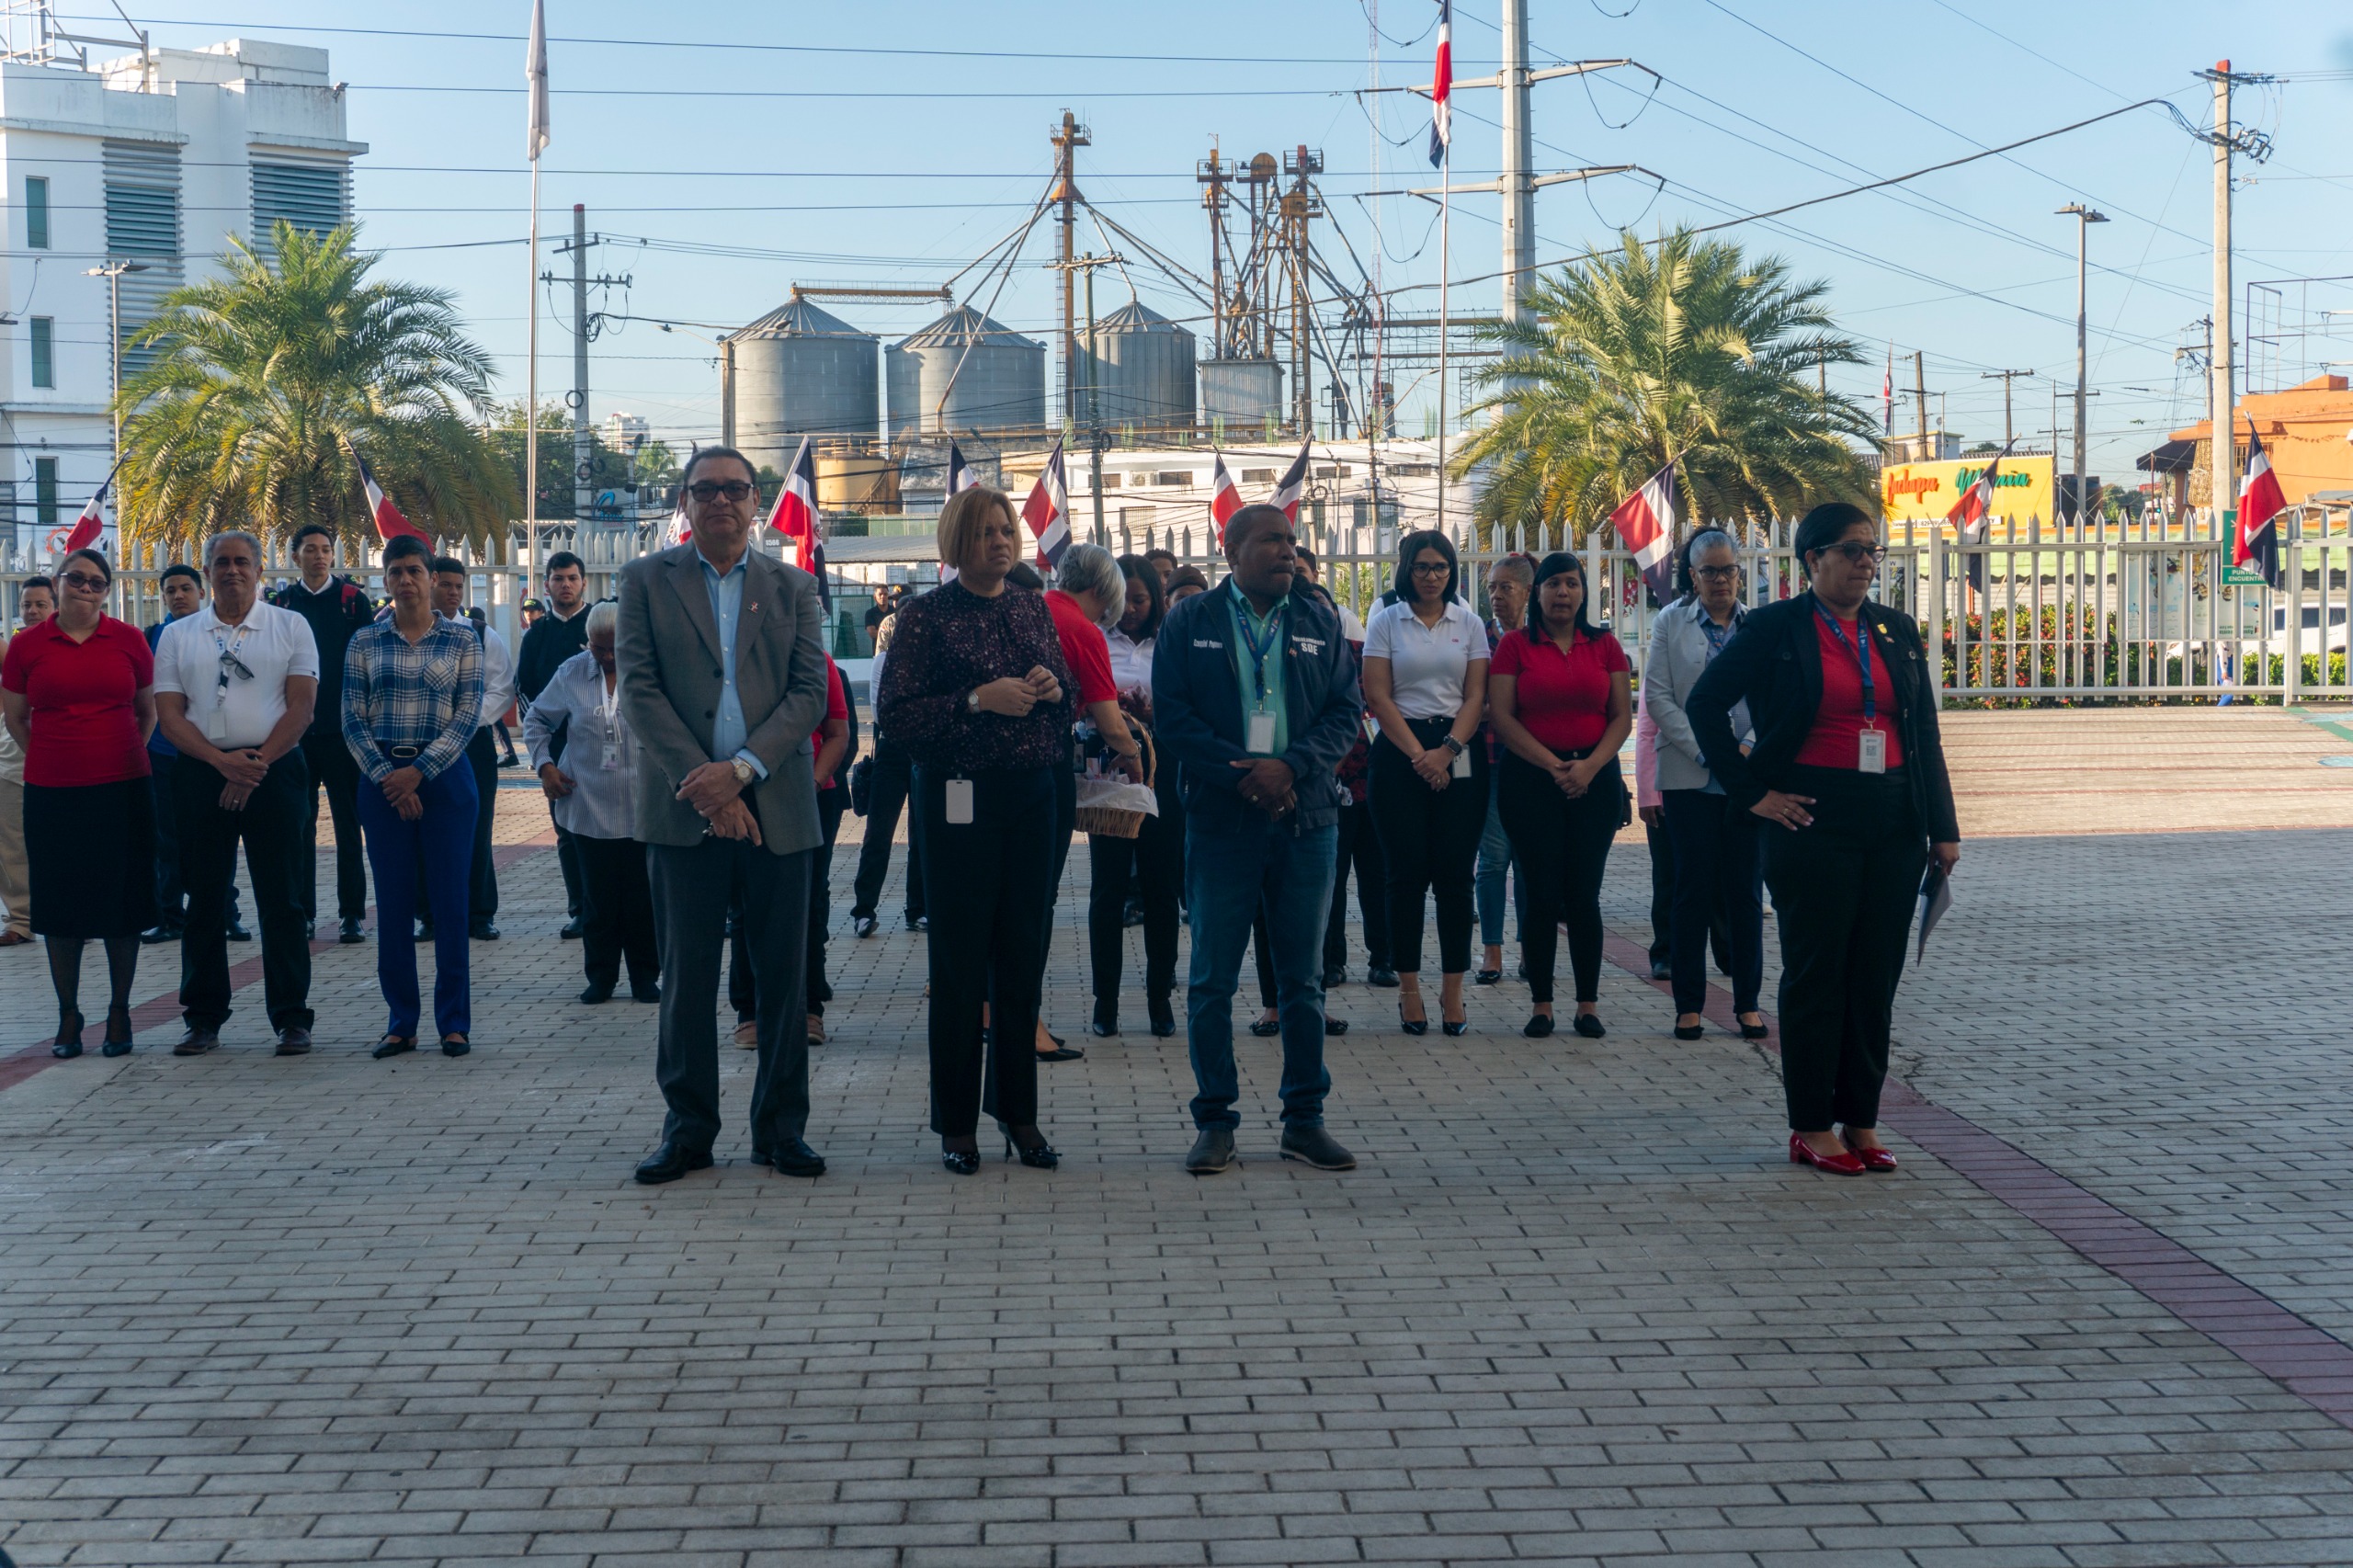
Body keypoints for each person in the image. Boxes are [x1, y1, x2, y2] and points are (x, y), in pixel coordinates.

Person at [1688, 501, 1960, 1176]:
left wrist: (1943, 828)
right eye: (1853, 551)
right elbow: (1704, 706)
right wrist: (1754, 793)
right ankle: (1811, 1123)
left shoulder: (1895, 631)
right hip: (1811, 819)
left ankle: (1860, 1119)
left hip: (1895, 819)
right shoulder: (1777, 627)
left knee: (1875, 975)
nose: (1867, 563)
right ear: (1813, 560)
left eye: (1874, 552)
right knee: (1818, 974)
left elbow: (1922, 730)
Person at [618, 445, 832, 1186]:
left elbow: (809, 694)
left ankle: (781, 1129)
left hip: (779, 807)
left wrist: (739, 773)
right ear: (684, 501)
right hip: (682, 814)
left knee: (783, 979)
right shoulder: (645, 579)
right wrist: (703, 784)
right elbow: (640, 691)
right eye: (705, 489)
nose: (720, 501)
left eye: (735, 489)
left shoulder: (795, 585)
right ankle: (688, 1131)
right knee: (686, 979)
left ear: (755, 502)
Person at [1153, 503, 1361, 1176]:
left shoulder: (1318, 618)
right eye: (1272, 540)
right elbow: (1175, 719)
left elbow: (1345, 713)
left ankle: (1305, 1119)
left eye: (1291, 541)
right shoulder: (1191, 621)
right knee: (1212, 979)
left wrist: (1290, 767)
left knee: (1302, 981)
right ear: (1232, 548)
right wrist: (1243, 775)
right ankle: (1215, 1120)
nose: (1286, 551)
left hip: (1306, 822)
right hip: (1222, 821)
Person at [876, 484, 1073, 1175]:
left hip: (1031, 798)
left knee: (1022, 962)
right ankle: (957, 1123)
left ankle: (1019, 1114)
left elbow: (1066, 702)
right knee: (960, 966)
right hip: (958, 802)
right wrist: (973, 700)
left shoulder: (1031, 608)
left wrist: (1052, 688)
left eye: (1005, 531)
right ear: (958, 541)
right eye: (985, 532)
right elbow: (896, 718)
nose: (999, 543)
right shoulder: (925, 618)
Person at [152, 531, 320, 1056]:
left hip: (274, 771)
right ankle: (202, 1018)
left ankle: (292, 1018)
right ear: (207, 572)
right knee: (203, 899)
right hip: (204, 772)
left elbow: (301, 708)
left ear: (259, 570)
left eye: (242, 562)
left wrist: (256, 763)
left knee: (283, 899)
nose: (232, 570)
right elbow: (170, 715)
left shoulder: (291, 625)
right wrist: (221, 762)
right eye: (221, 562)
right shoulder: (179, 635)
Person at [0, 549, 156, 1058]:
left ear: (107, 592)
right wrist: (52, 756)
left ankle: (119, 1012)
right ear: (58, 583)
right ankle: (68, 1014)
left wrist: (120, 753)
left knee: (122, 903)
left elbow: (147, 711)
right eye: (76, 580)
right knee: (59, 905)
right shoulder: (28, 647)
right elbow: (18, 718)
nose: (85, 589)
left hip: (123, 787)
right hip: (52, 792)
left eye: (95, 583)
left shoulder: (130, 640)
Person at [345, 534, 483, 1059]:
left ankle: (454, 1022)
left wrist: (419, 772)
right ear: (386, 579)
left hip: (445, 780)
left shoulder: (462, 641)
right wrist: (389, 777)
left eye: (414, 571)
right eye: (395, 571)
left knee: (450, 903)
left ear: (431, 577)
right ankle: (401, 1022)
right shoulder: (364, 642)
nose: (405, 580)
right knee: (394, 904)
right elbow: (351, 719)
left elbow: (468, 715)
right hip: (381, 777)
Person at [1490, 551, 1632, 1039]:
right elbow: (1503, 718)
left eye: (1572, 584)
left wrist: (1589, 767)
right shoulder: (1514, 646)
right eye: (1553, 585)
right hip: (1532, 781)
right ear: (1538, 593)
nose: (1563, 594)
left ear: (1584, 591)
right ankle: (1542, 1003)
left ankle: (1588, 1004)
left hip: (1594, 780)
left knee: (1584, 894)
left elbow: (1621, 717)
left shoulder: (1606, 645)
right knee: (1542, 892)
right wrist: (1554, 766)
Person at [1360, 530, 1491, 1037]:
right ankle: (1410, 989)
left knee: (1456, 878)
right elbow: (1377, 694)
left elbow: (1476, 696)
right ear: (1406, 570)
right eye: (1422, 567)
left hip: (1457, 750)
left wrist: (1448, 752)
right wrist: (1420, 757)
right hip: (1400, 754)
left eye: (1440, 568)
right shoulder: (1387, 621)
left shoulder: (1470, 622)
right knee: (1405, 876)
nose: (1432, 576)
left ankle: (1453, 992)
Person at [1643, 529, 1768, 1042]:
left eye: (1728, 570)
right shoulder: (1670, 623)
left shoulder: (1758, 626)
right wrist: (1706, 750)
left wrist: (1749, 750)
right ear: (1691, 577)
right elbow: (1657, 698)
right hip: (1688, 775)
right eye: (1709, 571)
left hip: (1747, 778)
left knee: (1744, 892)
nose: (1720, 580)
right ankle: (1688, 1006)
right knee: (1691, 890)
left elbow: (1774, 697)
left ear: (1740, 572)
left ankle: (1748, 1005)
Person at [525, 600, 658, 1005]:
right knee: (597, 900)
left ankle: (645, 979)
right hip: (586, 803)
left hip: (642, 805)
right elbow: (536, 721)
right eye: (598, 648)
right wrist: (545, 767)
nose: (606, 657)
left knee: (642, 900)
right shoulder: (572, 672)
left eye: (615, 648)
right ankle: (600, 978)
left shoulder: (651, 673)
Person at [1043, 543, 1143, 1053]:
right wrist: (1135, 760)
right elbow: (1109, 721)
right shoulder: (1083, 631)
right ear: (1103, 592)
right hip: (1044, 766)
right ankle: (1027, 1021)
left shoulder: (1030, 609)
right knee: (1036, 898)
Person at [1087, 553, 1178, 1038]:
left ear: (1157, 599)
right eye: (1122, 600)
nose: (1130, 610)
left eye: (1140, 600)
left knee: (1163, 891)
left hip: (1164, 773)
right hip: (1110, 774)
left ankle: (1160, 999)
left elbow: (1191, 701)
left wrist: (1154, 712)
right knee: (1108, 889)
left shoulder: (1173, 640)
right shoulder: (1097, 639)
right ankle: (1106, 1003)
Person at [270, 523, 374, 943]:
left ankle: (352, 915)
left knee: (350, 827)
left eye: (325, 549)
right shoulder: (281, 604)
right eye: (309, 549)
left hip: (344, 732)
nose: (318, 556)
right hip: (296, 735)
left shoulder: (353, 602)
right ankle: (305, 913)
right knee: (300, 827)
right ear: (295, 557)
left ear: (334, 556)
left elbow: (368, 663)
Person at [142, 564, 248, 949]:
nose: (178, 596)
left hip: (213, 753)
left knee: (221, 836)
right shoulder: (153, 637)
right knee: (167, 840)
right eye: (170, 591)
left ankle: (225, 913)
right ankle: (169, 915)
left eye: (186, 588)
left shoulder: (219, 634)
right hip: (165, 752)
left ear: (202, 592)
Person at [425, 558, 513, 941]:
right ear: (430, 584)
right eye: (446, 585)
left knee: (477, 829)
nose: (453, 592)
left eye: (459, 586)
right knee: (425, 830)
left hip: (471, 745)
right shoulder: (405, 631)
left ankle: (479, 914)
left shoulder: (480, 634)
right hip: (421, 745)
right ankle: (428, 915)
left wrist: (464, 722)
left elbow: (501, 688)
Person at [516, 551, 594, 938]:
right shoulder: (536, 636)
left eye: (573, 578)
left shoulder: (602, 626)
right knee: (567, 832)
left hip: (604, 747)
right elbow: (526, 693)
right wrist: (545, 752)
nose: (566, 585)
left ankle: (617, 911)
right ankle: (580, 909)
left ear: (584, 583)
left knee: (618, 833)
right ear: (546, 585)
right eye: (558, 578)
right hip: (558, 752)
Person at [848, 592, 926, 938]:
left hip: (924, 754)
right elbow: (884, 714)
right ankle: (864, 910)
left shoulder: (932, 659)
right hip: (893, 753)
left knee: (922, 835)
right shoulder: (884, 661)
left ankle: (918, 909)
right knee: (878, 834)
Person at [1474, 553, 1534, 983]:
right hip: (1490, 763)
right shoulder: (1478, 638)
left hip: (1534, 765)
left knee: (1532, 863)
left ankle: (1532, 948)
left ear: (1528, 592)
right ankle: (1491, 951)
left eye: (1506, 587)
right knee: (1493, 861)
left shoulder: (1541, 640)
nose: (1496, 595)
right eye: (1492, 587)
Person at [0, 577, 55, 949]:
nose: (32, 611)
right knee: (12, 846)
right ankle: (22, 920)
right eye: (26, 605)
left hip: (68, 760)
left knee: (64, 845)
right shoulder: (17, 647)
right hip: (13, 761)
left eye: (40, 604)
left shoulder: (74, 645)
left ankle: (73, 920)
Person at [862, 585, 892, 653]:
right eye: (880, 594)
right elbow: (872, 633)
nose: (883, 597)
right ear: (875, 597)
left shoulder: (895, 611)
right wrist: (892, 633)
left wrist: (882, 632)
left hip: (894, 651)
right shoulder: (870, 613)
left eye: (885, 594)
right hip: (879, 652)